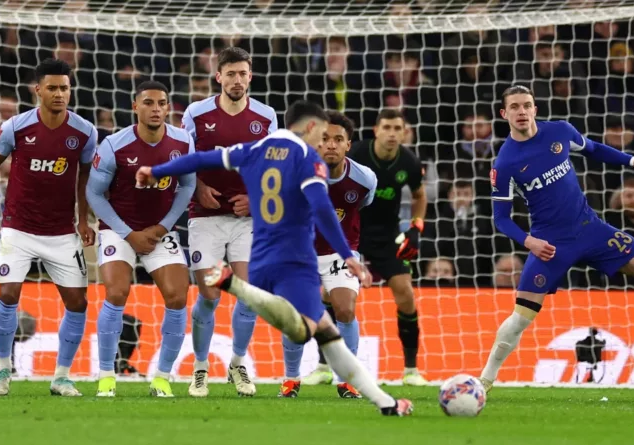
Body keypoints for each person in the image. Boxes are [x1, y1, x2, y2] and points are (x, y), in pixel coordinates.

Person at [136, 101, 412, 416]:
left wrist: (155, 170)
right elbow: (322, 209)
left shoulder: (255, 149)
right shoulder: (309, 159)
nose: (323, 143)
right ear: (310, 128)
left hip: (261, 256)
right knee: (306, 329)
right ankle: (236, 287)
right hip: (296, 261)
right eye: (322, 135)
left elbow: (200, 158)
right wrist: (348, 255)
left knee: (326, 333)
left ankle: (386, 404)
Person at [480, 85, 634, 393]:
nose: (522, 111)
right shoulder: (505, 163)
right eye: (514, 107)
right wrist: (529, 242)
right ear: (504, 114)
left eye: (527, 105)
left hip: (590, 229)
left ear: (535, 109)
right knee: (522, 316)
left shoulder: (560, 132)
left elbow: (592, 148)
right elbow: (500, 218)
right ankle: (485, 380)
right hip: (550, 244)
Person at [0, 58, 97, 397]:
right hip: (18, 226)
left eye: (64, 88)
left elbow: (86, 176)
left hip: (61, 232)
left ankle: (61, 377)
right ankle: (2, 369)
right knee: (8, 294)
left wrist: (82, 218)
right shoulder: (16, 127)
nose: (59, 93)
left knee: (77, 302)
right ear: (38, 90)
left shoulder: (85, 132)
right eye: (53, 88)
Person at [86, 81, 196, 398]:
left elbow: (187, 187)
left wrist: (162, 228)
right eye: (148, 102)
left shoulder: (182, 141)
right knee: (117, 291)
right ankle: (107, 375)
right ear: (136, 107)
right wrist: (128, 234)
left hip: (159, 231)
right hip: (118, 229)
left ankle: (161, 377)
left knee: (177, 296)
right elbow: (93, 192)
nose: (156, 109)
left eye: (162, 103)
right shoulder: (114, 145)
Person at [183, 46, 278, 398]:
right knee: (209, 294)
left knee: (248, 294)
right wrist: (198, 189)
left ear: (250, 76)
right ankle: (200, 367)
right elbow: (185, 158)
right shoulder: (196, 113)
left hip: (246, 219)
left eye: (243, 73)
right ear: (218, 76)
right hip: (205, 216)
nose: (237, 80)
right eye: (231, 73)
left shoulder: (266, 116)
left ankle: (237, 363)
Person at [279, 110, 376, 399]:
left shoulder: (364, 179)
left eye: (339, 139)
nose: (331, 144)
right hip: (301, 253)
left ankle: (346, 381)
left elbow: (362, 206)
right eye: (325, 139)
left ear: (349, 145)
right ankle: (291, 378)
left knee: (345, 309)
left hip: (340, 254)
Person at [343, 109, 429, 386]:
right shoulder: (356, 154)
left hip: (386, 234)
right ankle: (322, 365)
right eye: (387, 127)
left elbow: (419, 195)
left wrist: (416, 227)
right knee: (333, 294)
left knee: (405, 292)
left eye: (398, 128)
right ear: (376, 130)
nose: (393, 134)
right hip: (352, 232)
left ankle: (411, 370)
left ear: (404, 132)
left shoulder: (409, 162)